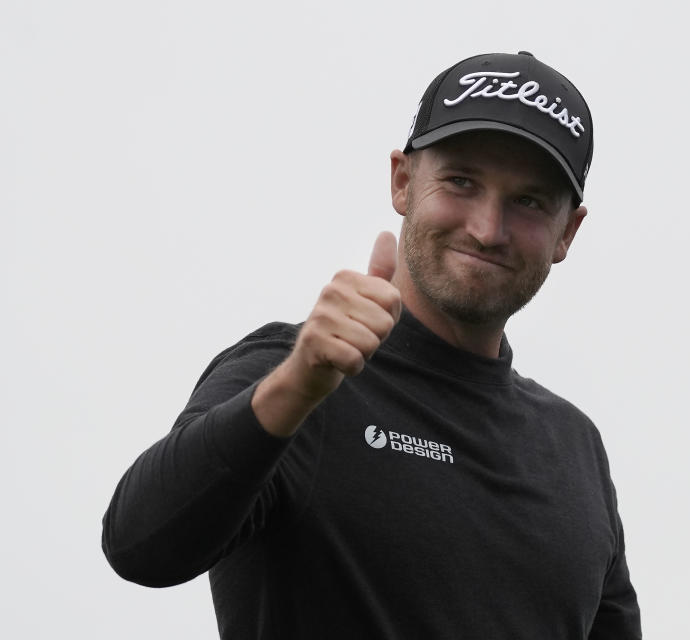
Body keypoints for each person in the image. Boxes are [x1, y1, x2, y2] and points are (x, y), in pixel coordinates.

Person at [102, 51, 642, 639]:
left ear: (567, 232)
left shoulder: (574, 447)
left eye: (529, 201)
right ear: (403, 182)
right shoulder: (295, 376)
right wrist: (296, 385)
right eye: (461, 182)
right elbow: (139, 547)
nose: (488, 228)